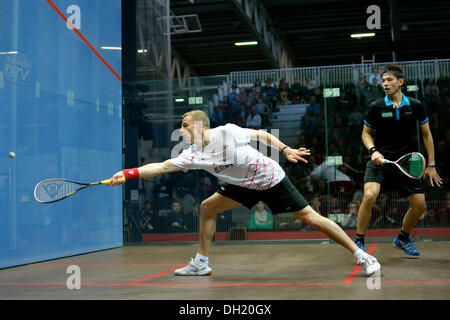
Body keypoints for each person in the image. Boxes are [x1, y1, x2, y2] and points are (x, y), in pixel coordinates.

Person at [108, 110, 380, 276]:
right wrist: (127, 173)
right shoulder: (190, 154)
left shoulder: (227, 132)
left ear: (200, 125)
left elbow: (261, 135)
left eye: (185, 124)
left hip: (270, 179)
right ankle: (201, 262)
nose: (181, 129)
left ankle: (361, 255)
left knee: (311, 218)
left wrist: (286, 150)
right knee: (207, 207)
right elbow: (162, 166)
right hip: (241, 186)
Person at [355, 64, 443, 255]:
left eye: (389, 80)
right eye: (383, 80)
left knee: (420, 205)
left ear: (400, 82)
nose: (385, 83)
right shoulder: (375, 107)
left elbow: (427, 135)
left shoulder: (415, 106)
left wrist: (431, 165)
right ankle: (359, 241)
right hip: (380, 159)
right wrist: (373, 151)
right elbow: (365, 134)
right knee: (369, 195)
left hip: (407, 161)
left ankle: (402, 238)